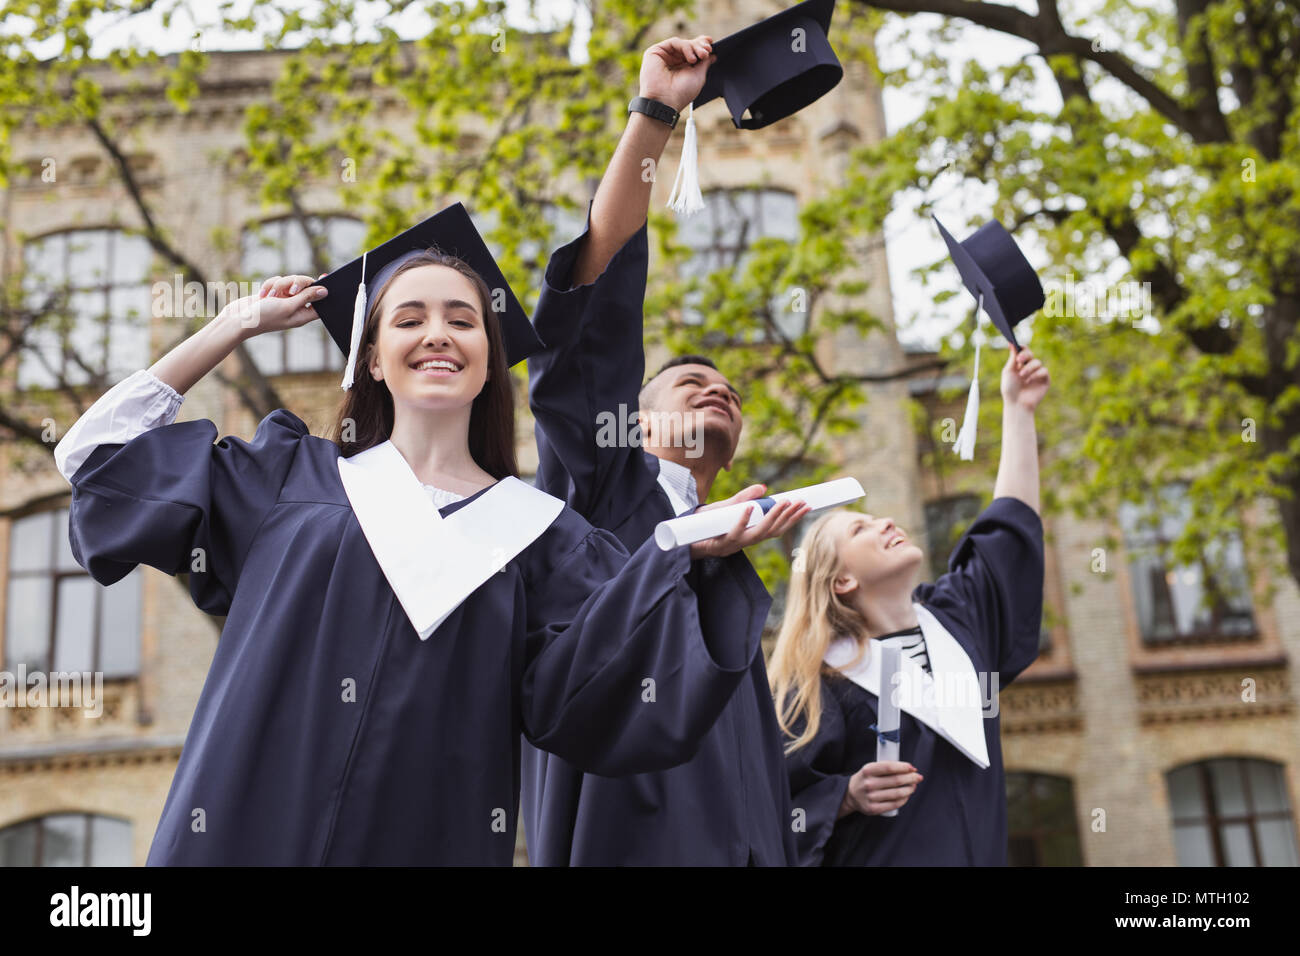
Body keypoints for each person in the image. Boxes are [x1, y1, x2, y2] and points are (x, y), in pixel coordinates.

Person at [53, 206, 793, 866]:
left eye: (462, 320)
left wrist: (682, 557)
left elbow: (606, 701)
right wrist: (232, 325)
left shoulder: (546, 544)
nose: (436, 334)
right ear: (372, 358)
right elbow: (94, 461)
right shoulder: (284, 478)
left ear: (488, 363)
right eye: (408, 319)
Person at [520, 35, 813, 866]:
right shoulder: (599, 494)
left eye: (729, 388)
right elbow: (592, 311)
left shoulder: (731, 560)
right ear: (628, 421)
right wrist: (655, 116)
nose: (715, 387)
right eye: (687, 380)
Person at [769, 347, 1051, 865]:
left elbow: (1009, 529)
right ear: (841, 581)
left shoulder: (957, 621)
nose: (884, 523)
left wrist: (1018, 409)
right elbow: (769, 813)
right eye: (859, 527)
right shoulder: (815, 685)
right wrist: (847, 797)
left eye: (877, 516)